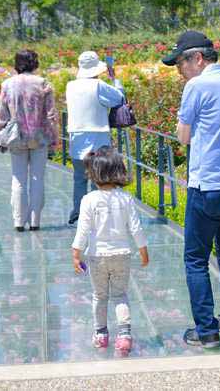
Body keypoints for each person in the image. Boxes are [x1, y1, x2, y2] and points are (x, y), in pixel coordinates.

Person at [161, 30, 220, 349]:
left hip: (208, 186)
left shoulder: (196, 86)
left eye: (180, 64)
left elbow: (183, 137)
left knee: (196, 259)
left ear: (197, 58)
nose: (179, 71)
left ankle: (206, 330)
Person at [71, 146, 149, 354]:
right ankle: (124, 336)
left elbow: (83, 230)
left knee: (99, 295)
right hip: (122, 255)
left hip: (97, 256)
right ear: (118, 171)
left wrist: (76, 253)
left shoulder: (88, 200)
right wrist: (143, 250)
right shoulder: (126, 199)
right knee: (120, 295)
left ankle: (101, 334)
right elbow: (136, 228)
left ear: (93, 174)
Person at [0, 49, 59, 232]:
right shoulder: (43, 83)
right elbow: (51, 115)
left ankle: (18, 221)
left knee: (18, 179)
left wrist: (0, 134)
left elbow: (0, 114)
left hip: (16, 137)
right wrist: (54, 137)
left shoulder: (7, 84)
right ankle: (35, 221)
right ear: (34, 62)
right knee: (38, 178)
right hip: (39, 137)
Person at [65, 51, 124, 225]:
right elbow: (119, 98)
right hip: (98, 140)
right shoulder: (98, 85)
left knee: (79, 179)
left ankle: (78, 212)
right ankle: (98, 215)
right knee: (99, 179)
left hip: (77, 139)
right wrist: (115, 80)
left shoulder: (70, 86)